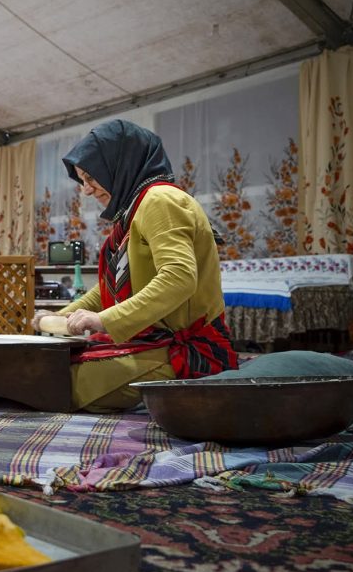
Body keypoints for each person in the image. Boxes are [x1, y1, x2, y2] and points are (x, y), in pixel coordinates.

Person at [32, 120, 237, 412]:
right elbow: (107, 291)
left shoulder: (161, 200)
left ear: (118, 164)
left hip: (188, 352)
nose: (86, 190)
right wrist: (60, 316)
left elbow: (178, 278)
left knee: (60, 380)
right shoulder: (135, 210)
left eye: (90, 177)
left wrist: (103, 320)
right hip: (157, 342)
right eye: (82, 181)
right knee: (50, 364)